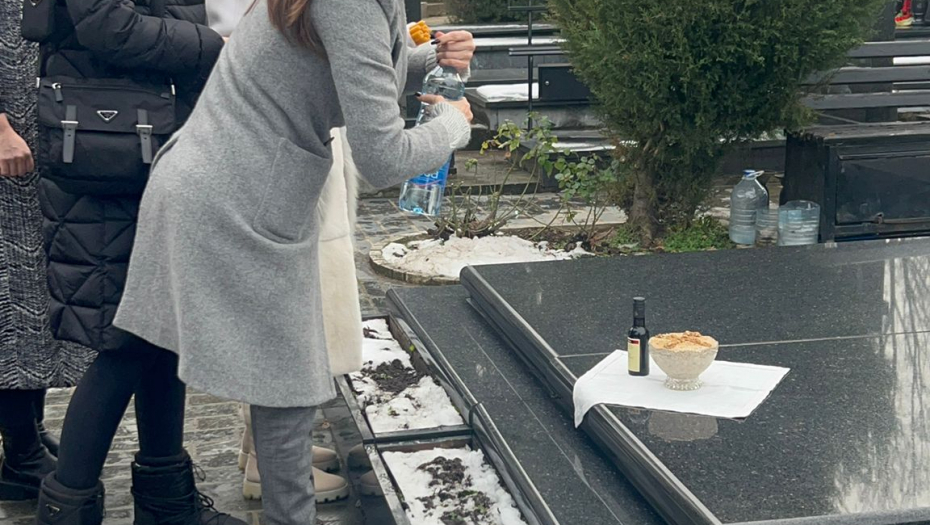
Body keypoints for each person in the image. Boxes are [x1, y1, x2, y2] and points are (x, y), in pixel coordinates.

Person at [113, 0, 476, 523]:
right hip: (239, 190)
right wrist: (452, 124)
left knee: (242, 371)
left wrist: (428, 59)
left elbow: (353, 67)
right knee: (285, 380)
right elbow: (384, 157)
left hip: (229, 178)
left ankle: (80, 499)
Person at [29, 0, 245, 524]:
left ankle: (165, 502)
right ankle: (66, 507)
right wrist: (218, 45)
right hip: (115, 150)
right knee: (126, 339)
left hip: (150, 138)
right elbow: (107, 25)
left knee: (164, 330)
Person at [0, 0, 93, 502]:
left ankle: (27, 433)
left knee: (31, 295)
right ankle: (20, 455)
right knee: (11, 300)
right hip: (8, 139)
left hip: (31, 132)